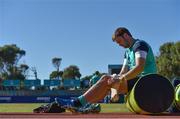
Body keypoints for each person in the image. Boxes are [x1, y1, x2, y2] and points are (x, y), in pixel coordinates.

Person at [34, 27, 157, 113]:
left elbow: (139, 67)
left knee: (106, 79)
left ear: (126, 35)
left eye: (119, 41)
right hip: (136, 82)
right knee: (106, 79)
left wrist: (120, 78)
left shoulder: (139, 45)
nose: (119, 45)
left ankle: (77, 103)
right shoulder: (127, 52)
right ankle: (85, 105)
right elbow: (123, 71)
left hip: (146, 82)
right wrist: (116, 78)